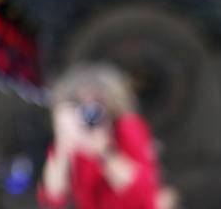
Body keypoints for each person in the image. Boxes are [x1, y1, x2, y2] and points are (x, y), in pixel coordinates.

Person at [37, 62, 162, 209]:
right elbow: (54, 198)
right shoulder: (72, 139)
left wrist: (105, 153)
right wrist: (63, 145)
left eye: (96, 103)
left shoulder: (127, 127)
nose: (90, 112)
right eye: (81, 104)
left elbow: (143, 192)